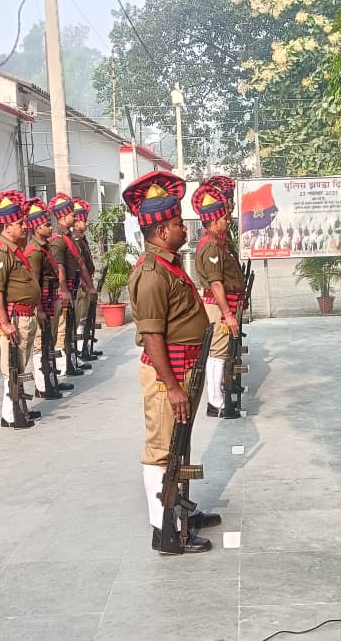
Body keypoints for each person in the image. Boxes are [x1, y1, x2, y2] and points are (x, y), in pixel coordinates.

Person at [124, 170, 220, 555]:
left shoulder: (169, 265)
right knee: (162, 449)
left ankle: (179, 513)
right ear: (162, 231)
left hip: (185, 367)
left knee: (179, 447)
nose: (184, 228)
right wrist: (173, 385)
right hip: (170, 372)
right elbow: (152, 335)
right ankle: (163, 528)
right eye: (179, 223)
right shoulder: (150, 274)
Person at [0, 190, 44, 429]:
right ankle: (11, 415)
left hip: (25, 316)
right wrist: (5, 323)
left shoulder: (14, 249)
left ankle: (17, 409)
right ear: (7, 226)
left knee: (19, 367)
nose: (24, 227)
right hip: (14, 318)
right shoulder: (0, 251)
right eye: (19, 223)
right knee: (12, 369)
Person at [192, 183, 245, 419]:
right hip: (217, 306)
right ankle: (215, 402)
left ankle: (219, 399)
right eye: (224, 218)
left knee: (222, 352)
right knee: (217, 353)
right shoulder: (211, 245)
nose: (227, 220)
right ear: (213, 221)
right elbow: (216, 284)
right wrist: (228, 314)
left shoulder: (218, 241)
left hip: (222, 304)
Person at [23, 197, 73, 397]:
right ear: (36, 228)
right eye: (45, 225)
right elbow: (34, 282)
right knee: (40, 344)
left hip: (49, 298)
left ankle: (51, 380)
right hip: (41, 301)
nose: (49, 227)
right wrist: (40, 309)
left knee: (49, 342)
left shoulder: (43, 247)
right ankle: (43, 386)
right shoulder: (34, 251)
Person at [47, 193, 90, 374]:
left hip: (73, 287)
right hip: (64, 291)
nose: (75, 217)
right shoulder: (58, 240)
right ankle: (64, 365)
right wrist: (64, 291)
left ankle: (71, 360)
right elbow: (60, 268)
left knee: (70, 326)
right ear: (63, 217)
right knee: (63, 329)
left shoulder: (70, 238)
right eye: (72, 214)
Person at [71, 198, 99, 359]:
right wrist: (87, 286)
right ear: (75, 222)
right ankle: (81, 351)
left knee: (86, 318)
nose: (86, 223)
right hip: (81, 286)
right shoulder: (75, 240)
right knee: (81, 320)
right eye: (83, 220)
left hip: (86, 283)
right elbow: (79, 266)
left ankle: (85, 348)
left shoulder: (81, 239)